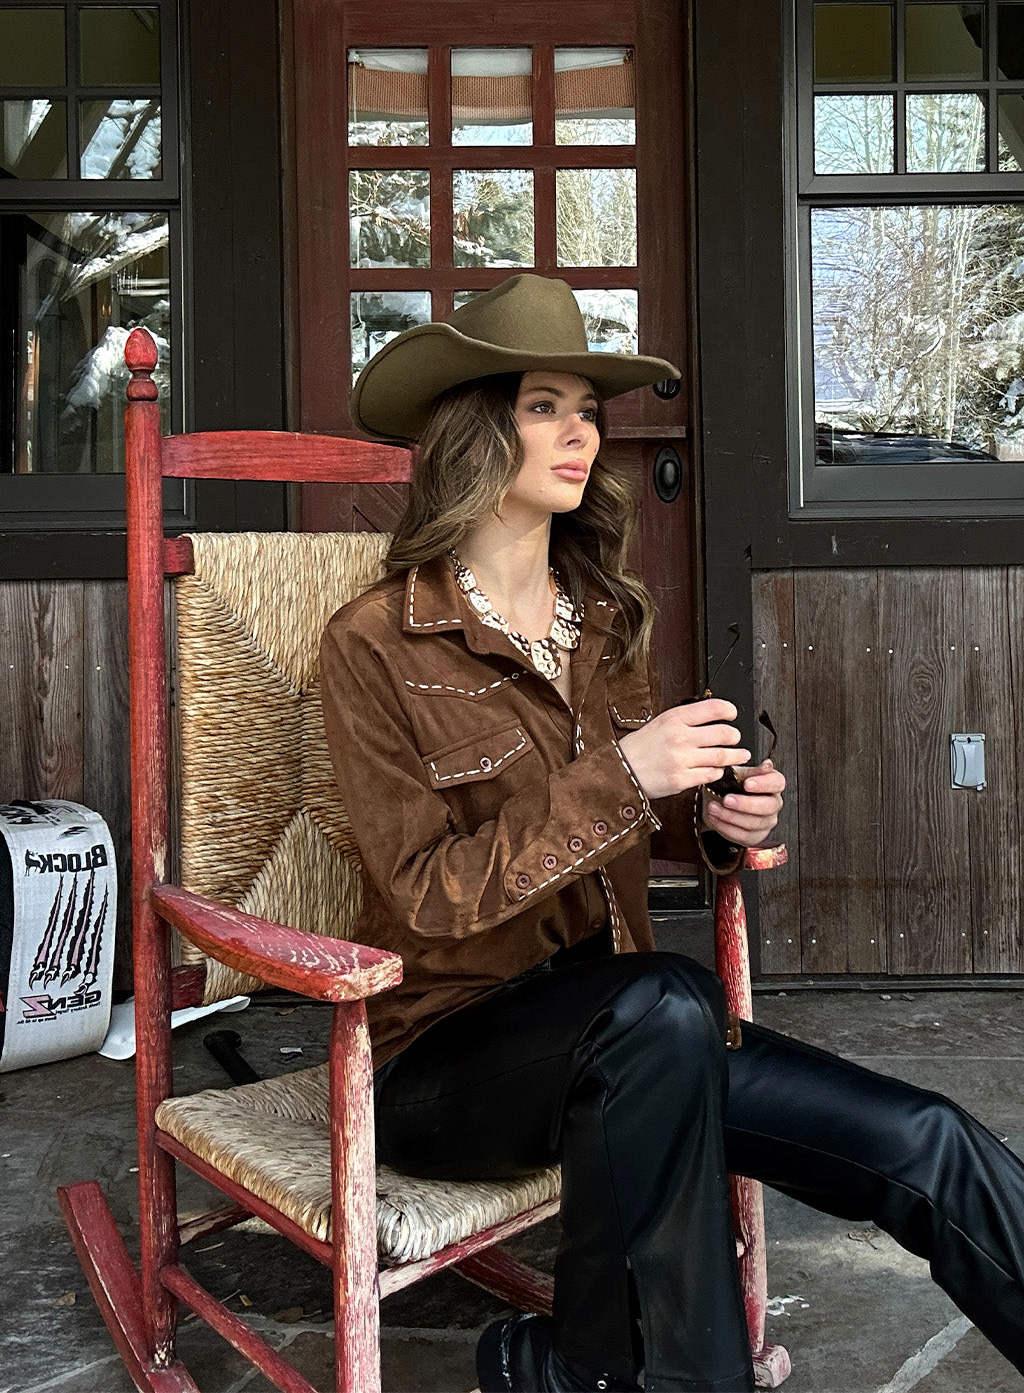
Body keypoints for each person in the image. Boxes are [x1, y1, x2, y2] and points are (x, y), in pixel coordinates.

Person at [321, 275, 1024, 1393]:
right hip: (446, 1062)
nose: (582, 430)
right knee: (662, 997)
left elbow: (638, 821)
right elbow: (423, 895)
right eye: (545, 403)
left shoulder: (600, 617)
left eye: (587, 409)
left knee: (923, 1139)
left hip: (641, 1038)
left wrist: (711, 823)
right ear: (471, 428)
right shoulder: (374, 644)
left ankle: (581, 1364)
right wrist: (621, 775)